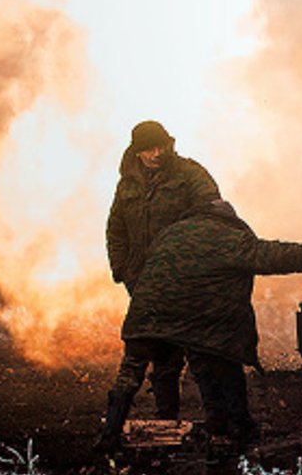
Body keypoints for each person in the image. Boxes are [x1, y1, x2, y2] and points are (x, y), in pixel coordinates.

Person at [95, 198, 302, 451]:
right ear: (229, 218)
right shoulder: (228, 237)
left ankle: (110, 433)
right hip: (199, 321)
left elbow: (143, 266)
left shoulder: (170, 234)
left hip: (146, 316)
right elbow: (274, 256)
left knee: (130, 373)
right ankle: (239, 427)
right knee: (222, 362)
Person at [103, 120, 220, 422]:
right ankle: (164, 420)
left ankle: (221, 426)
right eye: (148, 149)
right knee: (156, 355)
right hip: (143, 285)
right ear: (137, 152)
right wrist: (123, 270)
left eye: (161, 146)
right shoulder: (128, 183)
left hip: (185, 284)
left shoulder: (190, 175)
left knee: (202, 357)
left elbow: (212, 217)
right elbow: (116, 230)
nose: (156, 153)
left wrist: (196, 268)